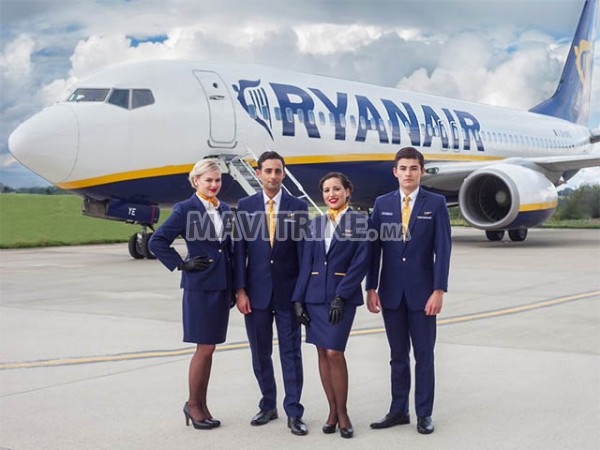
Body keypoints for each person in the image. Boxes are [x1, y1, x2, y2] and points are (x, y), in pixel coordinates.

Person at [366, 147, 451, 435]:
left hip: (423, 294)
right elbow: (374, 249)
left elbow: (443, 250)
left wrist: (439, 290)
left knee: (424, 355)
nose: (408, 173)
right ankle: (398, 410)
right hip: (391, 293)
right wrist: (371, 287)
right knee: (397, 356)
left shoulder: (435, 203)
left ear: (421, 171)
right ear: (395, 172)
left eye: (413, 168)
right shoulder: (382, 204)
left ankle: (424, 414)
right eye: (403, 168)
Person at [149, 158, 234, 430]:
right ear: (195, 181)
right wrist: (180, 263)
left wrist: (233, 286)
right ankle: (193, 405)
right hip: (199, 289)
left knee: (210, 349)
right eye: (208, 180)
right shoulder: (185, 209)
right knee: (204, 349)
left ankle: (202, 404)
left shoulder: (225, 211)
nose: (213, 185)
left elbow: (229, 250)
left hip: (221, 287)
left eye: (217, 180)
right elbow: (157, 240)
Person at [234, 151, 310, 436]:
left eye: (278, 172)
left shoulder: (298, 207)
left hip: (288, 295)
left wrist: (300, 295)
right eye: (268, 171)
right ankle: (268, 404)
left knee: (291, 354)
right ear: (259, 174)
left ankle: (294, 411)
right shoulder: (245, 206)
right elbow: (240, 251)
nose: (273, 176)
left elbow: (303, 255)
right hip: (256, 295)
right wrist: (240, 291)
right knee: (260, 353)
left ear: (284, 174)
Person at [291, 172, 370, 439]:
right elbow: (307, 265)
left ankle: (344, 412)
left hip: (340, 299)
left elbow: (360, 264)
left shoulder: (361, 222)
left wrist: (342, 295)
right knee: (322, 353)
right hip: (313, 297)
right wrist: (297, 300)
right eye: (326, 190)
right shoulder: (315, 224)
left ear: (348, 191)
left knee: (335, 352)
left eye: (336, 189)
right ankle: (332, 411)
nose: (331, 194)